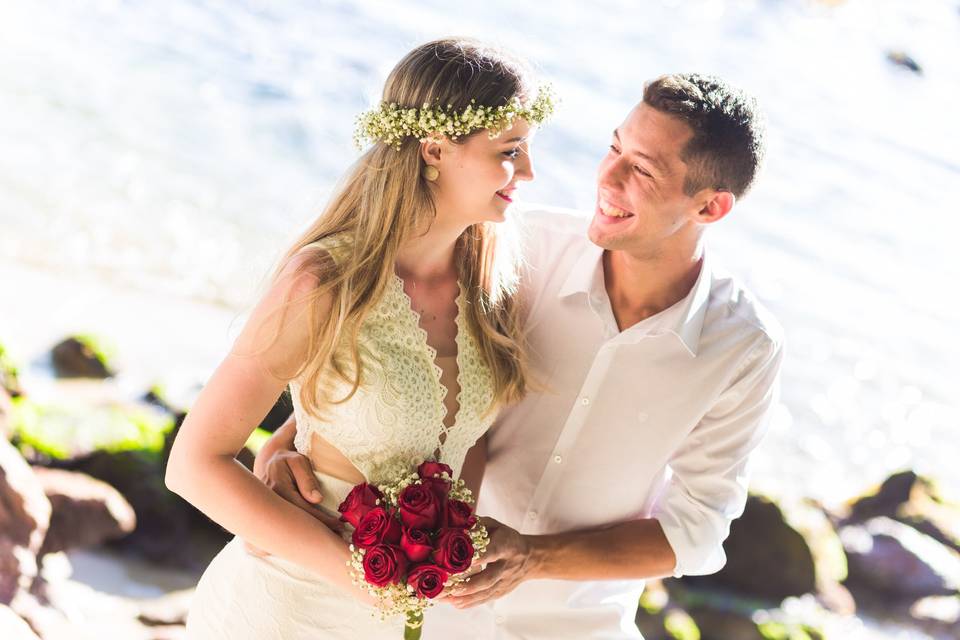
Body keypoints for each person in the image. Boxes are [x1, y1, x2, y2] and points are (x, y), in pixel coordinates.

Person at [257, 72, 784, 639]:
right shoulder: (516, 247)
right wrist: (291, 440)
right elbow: (402, 353)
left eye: (643, 169)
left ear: (711, 207)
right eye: (614, 148)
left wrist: (534, 557)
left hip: (579, 626)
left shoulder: (744, 348)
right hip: (424, 609)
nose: (607, 177)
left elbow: (695, 534)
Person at [164, 37, 554, 639]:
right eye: (511, 150)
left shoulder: (491, 293)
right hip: (285, 610)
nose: (528, 172)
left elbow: (453, 443)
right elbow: (194, 465)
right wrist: (359, 577)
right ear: (434, 149)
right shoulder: (327, 282)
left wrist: (446, 555)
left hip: (406, 622)